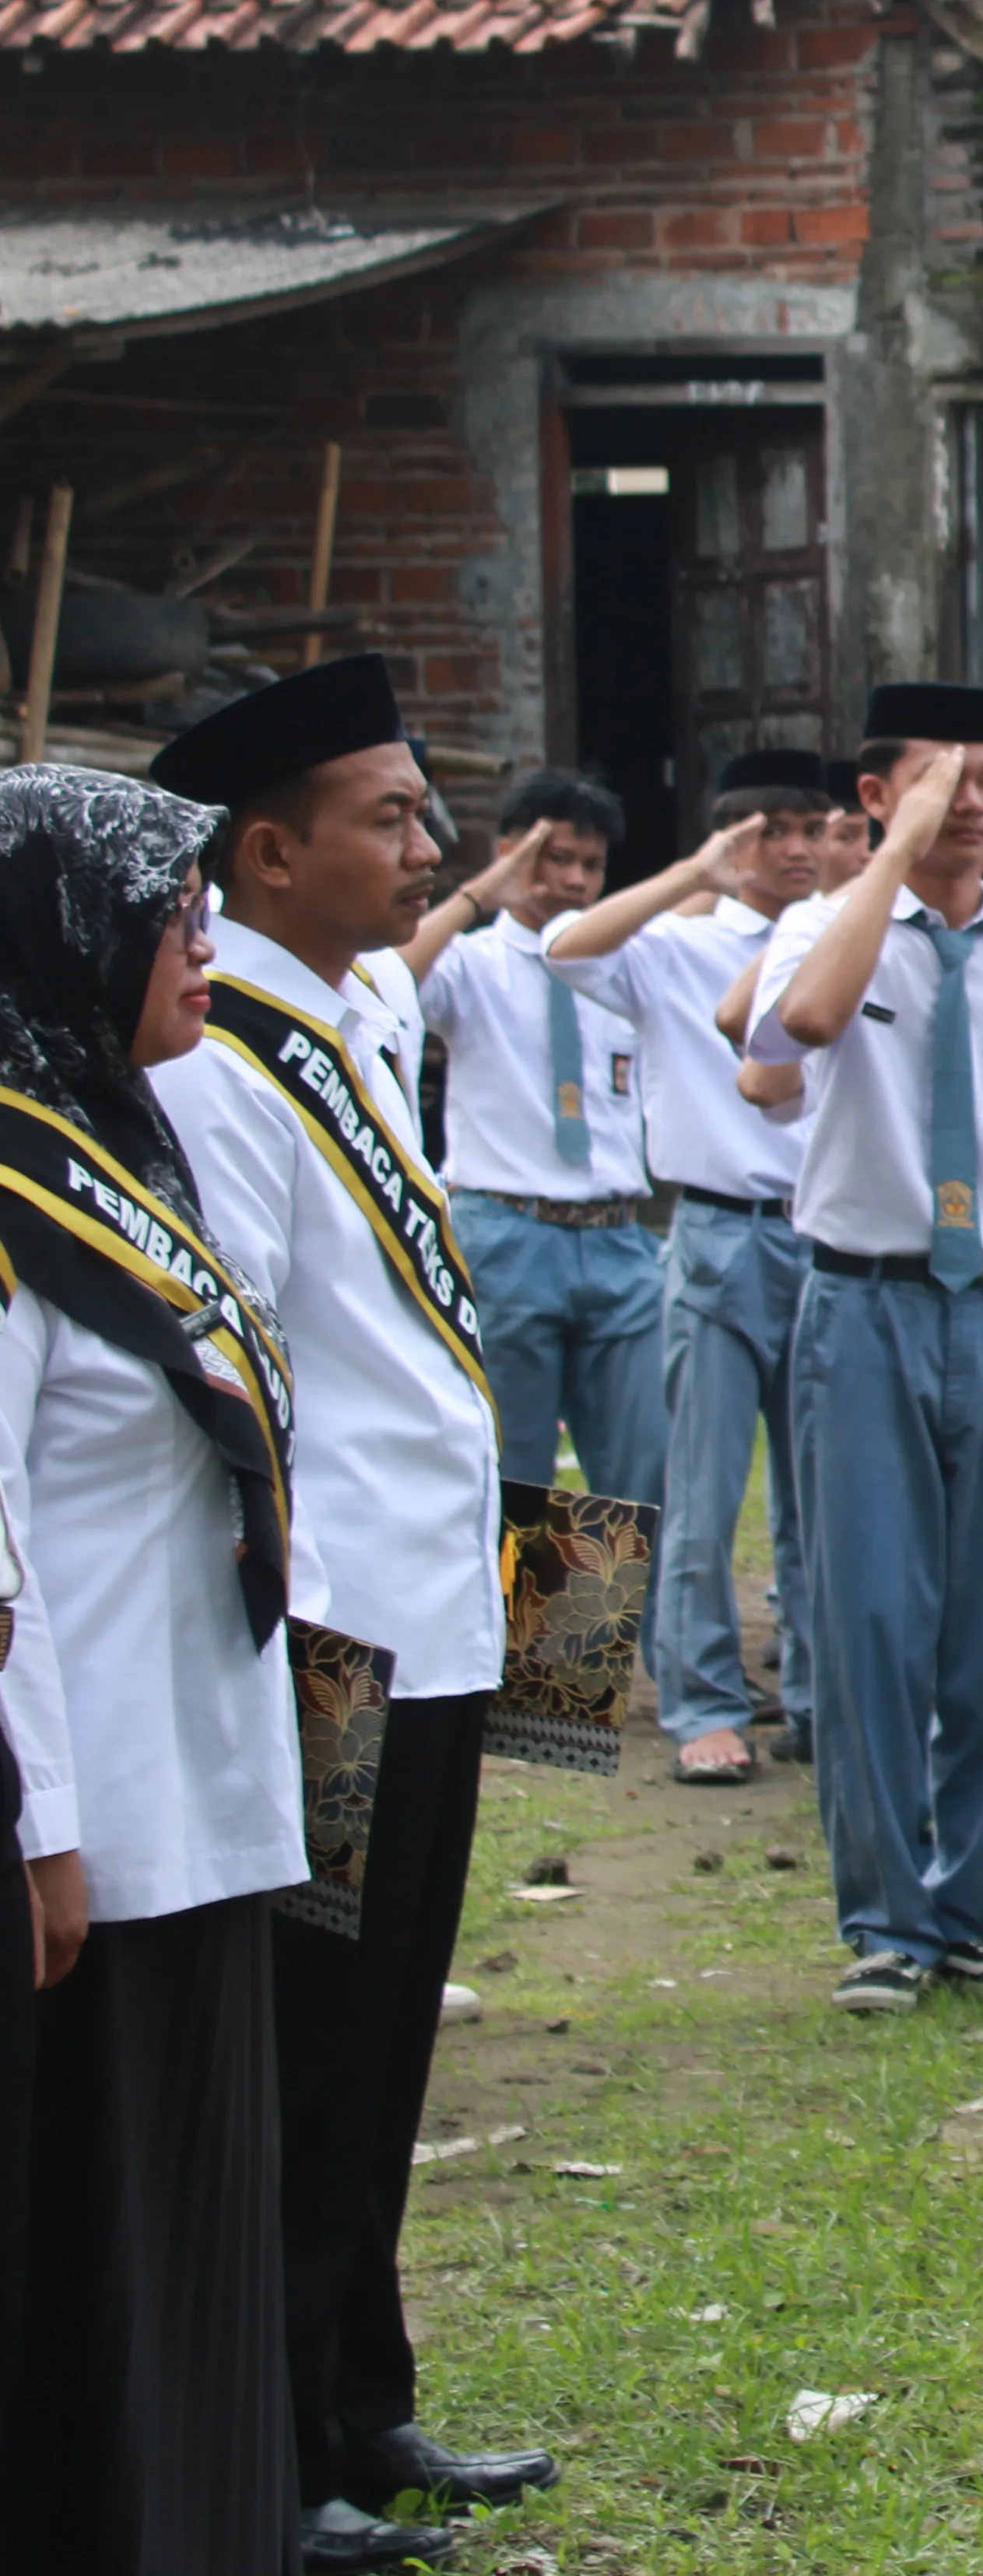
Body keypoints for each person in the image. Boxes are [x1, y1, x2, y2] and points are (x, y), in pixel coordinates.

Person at [146, 658, 563, 2562]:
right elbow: (236, 1362)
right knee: (312, 2030)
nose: (429, 846)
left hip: (442, 1603)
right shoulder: (227, 1052)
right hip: (331, 1628)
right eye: (388, 817)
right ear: (266, 849)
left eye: (422, 807)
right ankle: (288, 2429)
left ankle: (369, 2388)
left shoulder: (358, 1002)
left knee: (393, 2022)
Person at [0, 765, 308, 2575]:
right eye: (168, 913)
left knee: (209, 2229)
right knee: (109, 2250)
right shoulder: (25, 1183)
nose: (202, 945)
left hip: (217, 1773)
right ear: (63, 931)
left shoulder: (129, 1132)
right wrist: (40, 1823)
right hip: (95, 1814)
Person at [752, 683, 983, 2013]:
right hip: (863, 1297)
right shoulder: (822, 931)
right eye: (941, 779)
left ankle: (977, 1906)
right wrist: (894, 858)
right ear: (874, 796)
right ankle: (887, 1918)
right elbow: (799, 1029)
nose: (973, 804)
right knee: (871, 1618)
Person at [541, 749, 837, 1785]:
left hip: (828, 1232)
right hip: (712, 1229)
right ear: (733, 834)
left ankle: (813, 1690)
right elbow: (569, 951)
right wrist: (697, 873)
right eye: (774, 831)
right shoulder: (675, 944)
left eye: (814, 828)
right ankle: (702, 1700)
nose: (796, 850)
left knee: (821, 1493)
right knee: (700, 1490)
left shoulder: (846, 938)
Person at [404, 770, 666, 1504]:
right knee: (515, 1468)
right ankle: (520, 1624)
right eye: (556, 860)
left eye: (591, 866)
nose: (574, 882)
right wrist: (482, 891)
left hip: (617, 1237)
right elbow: (393, 982)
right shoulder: (473, 961)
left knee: (636, 1471)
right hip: (507, 1232)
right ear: (513, 853)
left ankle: (604, 1626)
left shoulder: (619, 966)